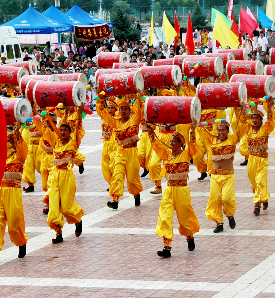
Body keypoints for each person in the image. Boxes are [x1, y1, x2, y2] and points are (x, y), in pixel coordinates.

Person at [147, 127, 199, 257]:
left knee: (184, 217)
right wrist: (151, 133)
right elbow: (157, 146)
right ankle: (166, 247)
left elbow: (193, 146)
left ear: (180, 143)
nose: (171, 144)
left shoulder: (186, 153)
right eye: (170, 141)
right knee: (165, 217)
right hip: (169, 190)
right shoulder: (167, 154)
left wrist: (192, 131)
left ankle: (189, 236)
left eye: (174, 141)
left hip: (182, 190)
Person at [0, 124, 28, 262]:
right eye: (10, 141)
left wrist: (17, 134)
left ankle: (21, 243)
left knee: (14, 222)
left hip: (13, 192)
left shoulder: (19, 156)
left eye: (15, 142)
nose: (13, 144)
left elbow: (23, 149)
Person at [42, 109, 85, 243]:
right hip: (55, 177)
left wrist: (80, 107)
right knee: (54, 206)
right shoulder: (56, 142)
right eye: (60, 130)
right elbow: (47, 130)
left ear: (69, 132)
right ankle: (58, 232)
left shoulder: (74, 143)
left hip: (67, 177)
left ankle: (78, 220)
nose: (62, 132)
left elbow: (78, 125)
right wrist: (45, 116)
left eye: (65, 130)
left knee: (66, 207)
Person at [98, 96, 145, 209]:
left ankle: (136, 194)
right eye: (121, 109)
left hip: (132, 152)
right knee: (117, 174)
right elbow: (104, 114)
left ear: (129, 111)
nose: (123, 111)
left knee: (132, 178)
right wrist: (100, 101)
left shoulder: (134, 120)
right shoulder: (115, 122)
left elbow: (140, 109)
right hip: (120, 152)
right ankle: (115, 200)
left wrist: (138, 95)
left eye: (125, 109)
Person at [198, 120, 243, 232]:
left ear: (228, 131)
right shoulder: (212, 139)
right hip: (215, 176)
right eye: (218, 130)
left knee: (227, 198)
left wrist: (241, 111)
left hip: (228, 176)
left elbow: (240, 128)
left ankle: (230, 215)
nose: (220, 132)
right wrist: (197, 121)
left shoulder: (233, 139)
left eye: (223, 130)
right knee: (215, 200)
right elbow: (201, 130)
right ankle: (219, 223)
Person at [238, 102, 274, 215]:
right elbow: (241, 123)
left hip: (262, 160)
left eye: (257, 118)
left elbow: (271, 120)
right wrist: (243, 110)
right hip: (252, 159)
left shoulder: (265, 129)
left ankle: (257, 204)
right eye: (253, 118)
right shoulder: (248, 130)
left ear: (261, 120)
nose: (254, 120)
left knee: (260, 180)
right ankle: (264, 196)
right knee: (254, 183)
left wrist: (269, 108)